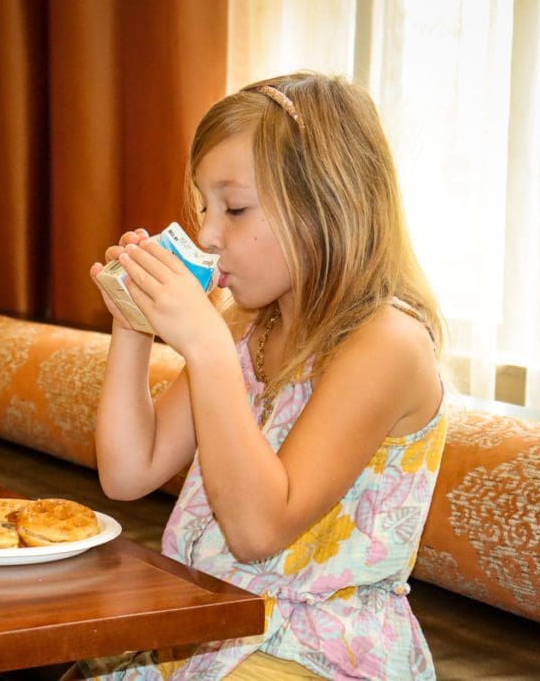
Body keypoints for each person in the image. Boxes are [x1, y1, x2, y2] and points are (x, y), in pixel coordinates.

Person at [76, 72, 447, 679]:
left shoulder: (387, 343)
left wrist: (205, 348)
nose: (208, 234)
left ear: (328, 203)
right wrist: (132, 325)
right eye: (204, 205)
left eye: (236, 207)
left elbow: (257, 530)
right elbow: (126, 470)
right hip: (211, 628)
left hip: (318, 649)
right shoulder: (246, 325)